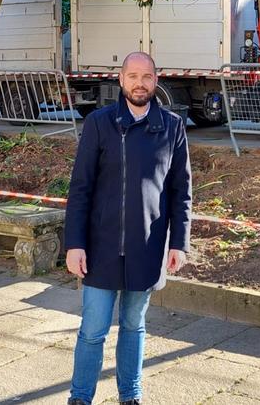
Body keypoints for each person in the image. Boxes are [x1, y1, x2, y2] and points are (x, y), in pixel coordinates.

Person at [64, 51, 192, 405]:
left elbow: (182, 192)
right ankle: (80, 397)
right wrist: (74, 243)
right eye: (132, 76)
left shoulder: (172, 126)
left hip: (147, 248)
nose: (140, 83)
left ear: (156, 80)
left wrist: (178, 243)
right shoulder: (99, 123)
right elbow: (80, 188)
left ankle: (130, 395)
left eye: (147, 76)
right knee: (93, 330)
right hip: (100, 248)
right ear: (120, 80)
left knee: (134, 327)